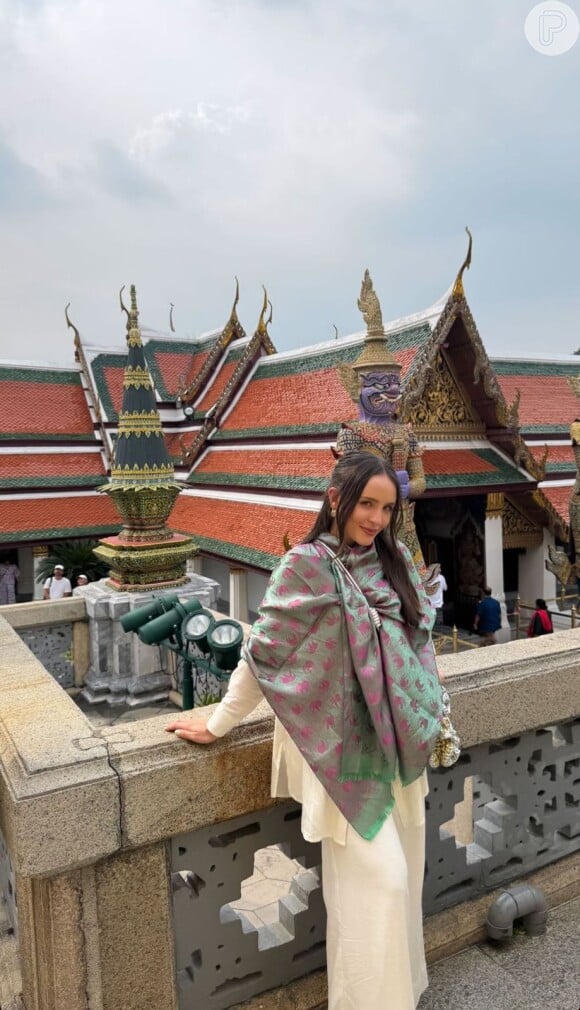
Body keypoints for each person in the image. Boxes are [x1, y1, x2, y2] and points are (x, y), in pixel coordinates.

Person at [167, 451, 445, 1010]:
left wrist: (433, 709)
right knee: (383, 881)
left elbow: (421, 646)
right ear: (335, 498)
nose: (376, 518)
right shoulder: (305, 566)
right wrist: (219, 722)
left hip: (397, 737)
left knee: (402, 877)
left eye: (387, 508)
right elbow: (264, 654)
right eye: (366, 503)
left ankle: (395, 997)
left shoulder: (395, 565)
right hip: (337, 748)